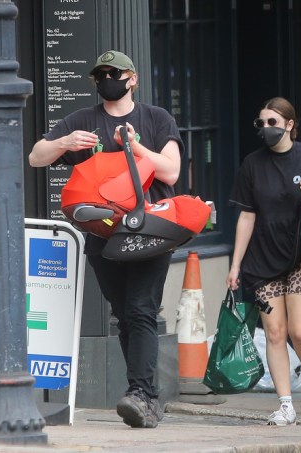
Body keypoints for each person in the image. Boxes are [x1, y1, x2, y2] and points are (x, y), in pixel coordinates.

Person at [29, 50, 183, 428]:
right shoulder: (82, 121)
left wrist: (135, 145)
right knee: (125, 315)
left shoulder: (156, 118)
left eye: (113, 73)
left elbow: (172, 171)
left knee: (141, 310)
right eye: (100, 75)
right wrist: (65, 142)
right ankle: (146, 396)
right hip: (103, 234)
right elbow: (35, 157)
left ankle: (142, 394)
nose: (105, 80)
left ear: (132, 79)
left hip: (149, 231)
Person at [226, 97, 301, 426]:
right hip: (262, 260)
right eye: (261, 123)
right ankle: (284, 404)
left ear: (290, 124)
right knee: (275, 333)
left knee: (300, 331)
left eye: (273, 123)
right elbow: (246, 216)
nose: (266, 129)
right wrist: (235, 265)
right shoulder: (252, 164)